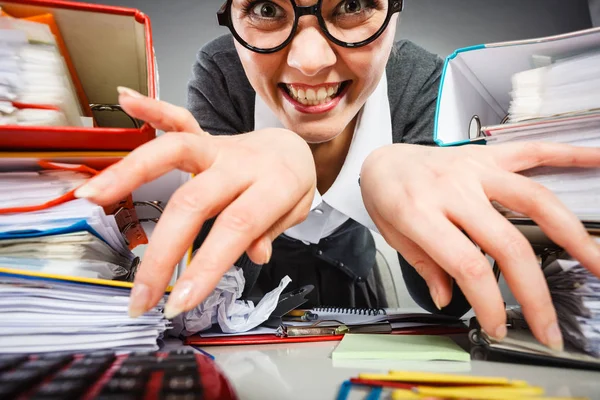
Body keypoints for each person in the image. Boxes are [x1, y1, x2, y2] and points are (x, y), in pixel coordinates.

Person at [75, 0, 600, 352]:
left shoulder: (421, 78)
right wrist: (277, 157)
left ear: (395, 13)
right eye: (264, 7)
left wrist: (385, 173)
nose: (308, 61)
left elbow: (449, 301)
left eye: (350, 4)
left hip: (354, 273)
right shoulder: (221, 70)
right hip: (261, 286)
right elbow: (213, 288)